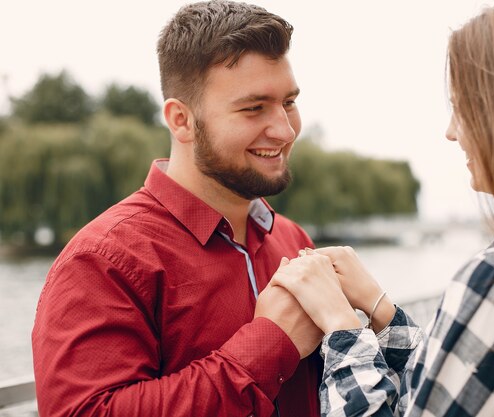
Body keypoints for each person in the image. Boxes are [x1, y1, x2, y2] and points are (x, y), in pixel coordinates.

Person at [264, 0, 494, 415]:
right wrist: (380, 308)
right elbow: (465, 382)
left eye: (462, 108)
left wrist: (341, 327)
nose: (452, 132)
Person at [31, 1, 324, 416]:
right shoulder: (102, 259)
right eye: (253, 108)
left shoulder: (294, 240)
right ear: (181, 120)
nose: (285, 129)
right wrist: (269, 343)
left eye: (289, 102)